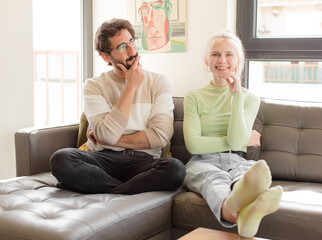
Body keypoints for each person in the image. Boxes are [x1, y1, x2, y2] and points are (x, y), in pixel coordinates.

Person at [50, 18, 186, 195]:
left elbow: (161, 136)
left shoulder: (158, 82)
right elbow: (106, 134)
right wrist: (130, 87)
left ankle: (103, 187)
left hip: (143, 160)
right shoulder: (94, 86)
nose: (132, 50)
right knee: (61, 159)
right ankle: (126, 189)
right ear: (106, 56)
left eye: (131, 42)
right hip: (103, 157)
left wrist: (111, 139)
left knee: (175, 169)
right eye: (122, 47)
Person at [183, 31, 283, 238]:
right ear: (206, 61)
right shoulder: (193, 97)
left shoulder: (249, 98)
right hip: (201, 162)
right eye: (215, 54)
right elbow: (193, 145)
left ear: (238, 61)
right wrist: (235, 140)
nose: (222, 60)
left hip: (237, 159)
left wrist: (236, 94)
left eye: (229, 54)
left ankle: (245, 215)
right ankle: (237, 212)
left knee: (250, 175)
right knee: (214, 180)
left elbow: (237, 143)